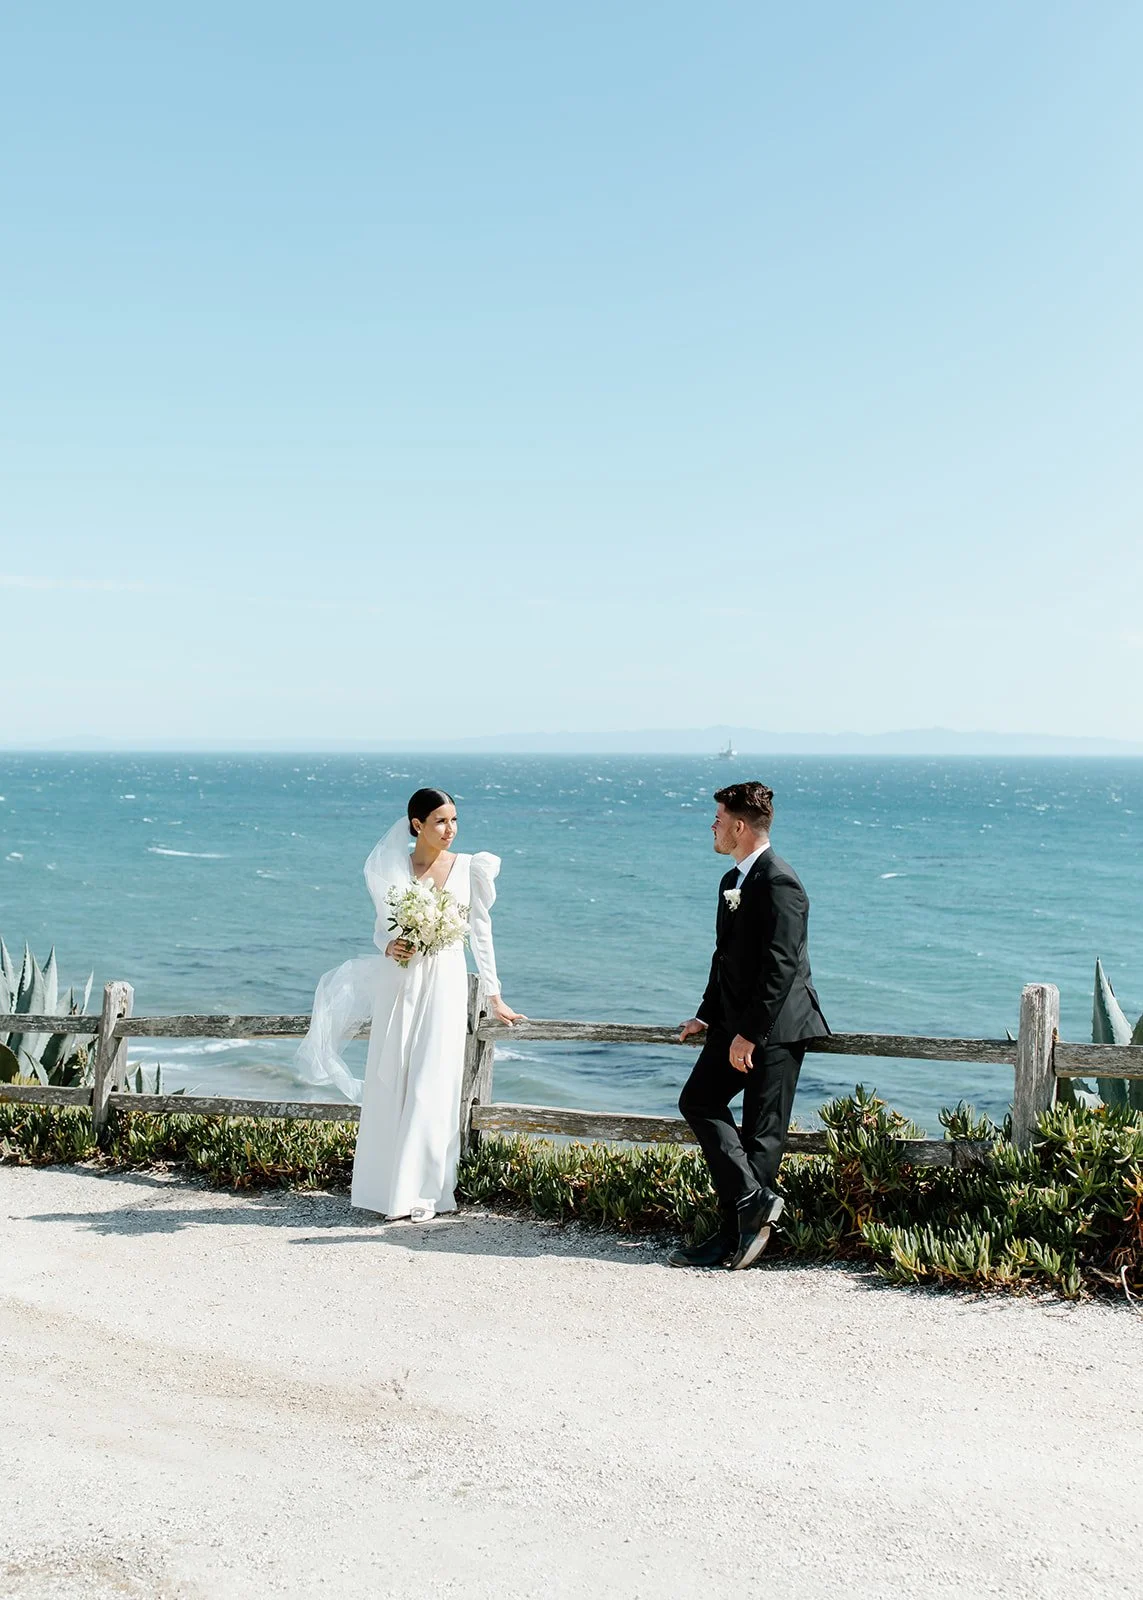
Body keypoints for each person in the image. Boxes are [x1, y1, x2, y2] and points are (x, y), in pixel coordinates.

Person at [296, 787, 523, 1220]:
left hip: (446, 984)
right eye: (440, 821)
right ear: (417, 825)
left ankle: (427, 1193)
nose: (450, 829)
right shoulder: (394, 868)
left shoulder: (470, 868)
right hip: (401, 984)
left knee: (431, 1082)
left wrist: (493, 993)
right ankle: (385, 1189)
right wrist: (389, 946)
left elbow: (481, 933)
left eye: (455, 820)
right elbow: (381, 929)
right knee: (394, 1078)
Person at [672, 781, 829, 1271]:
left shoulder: (780, 881)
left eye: (718, 818)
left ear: (740, 826)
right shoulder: (731, 881)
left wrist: (749, 1034)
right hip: (736, 1024)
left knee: (762, 1134)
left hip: (776, 1028)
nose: (713, 826)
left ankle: (734, 1237)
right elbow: (725, 959)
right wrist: (706, 1013)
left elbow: (781, 965)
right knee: (698, 1100)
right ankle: (750, 1207)